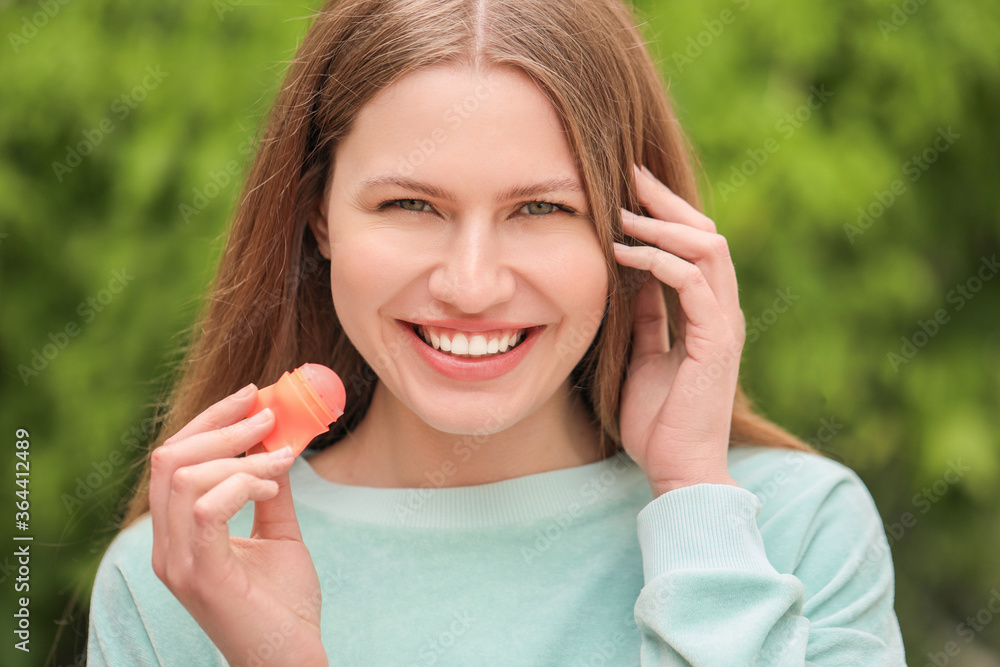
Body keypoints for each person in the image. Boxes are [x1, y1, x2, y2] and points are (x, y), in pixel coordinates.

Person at [86, 0, 907, 664]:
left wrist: (692, 498)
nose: (470, 284)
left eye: (542, 209)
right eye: (410, 205)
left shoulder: (793, 532)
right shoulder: (181, 578)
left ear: (640, 235)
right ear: (317, 215)